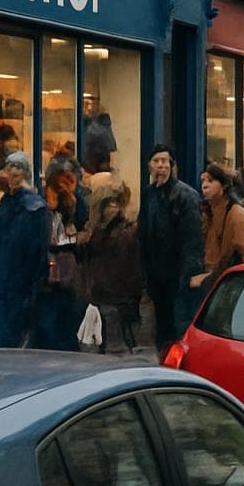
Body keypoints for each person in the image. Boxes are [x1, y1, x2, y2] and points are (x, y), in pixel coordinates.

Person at [139, 144, 205, 354]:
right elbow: (144, 231)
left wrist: (188, 276)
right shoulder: (149, 193)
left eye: (165, 161)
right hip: (156, 273)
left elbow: (192, 240)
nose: (161, 166)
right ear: (149, 166)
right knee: (162, 326)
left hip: (178, 274)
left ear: (172, 166)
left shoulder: (185, 195)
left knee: (178, 326)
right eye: (156, 161)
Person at [0, 152, 48, 348]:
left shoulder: (34, 205)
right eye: (10, 167)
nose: (13, 171)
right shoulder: (3, 202)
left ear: (25, 172)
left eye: (18, 167)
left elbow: (37, 249)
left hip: (20, 279)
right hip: (0, 277)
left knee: (15, 331)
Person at [80, 181, 143, 353]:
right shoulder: (105, 231)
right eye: (108, 204)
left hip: (113, 296)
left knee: (112, 347)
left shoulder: (121, 233)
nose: (112, 208)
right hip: (107, 295)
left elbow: (122, 268)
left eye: (114, 204)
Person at [34, 153, 87, 351]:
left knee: (68, 326)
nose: (66, 184)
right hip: (45, 278)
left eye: (71, 179)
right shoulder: (41, 203)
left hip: (69, 277)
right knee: (47, 327)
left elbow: (85, 233)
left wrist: (72, 208)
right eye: (62, 178)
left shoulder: (77, 202)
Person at [198, 165, 244, 298]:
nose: (204, 185)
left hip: (231, 286)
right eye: (202, 181)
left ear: (224, 186)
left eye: (210, 181)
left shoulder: (238, 216)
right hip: (211, 279)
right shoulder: (206, 213)